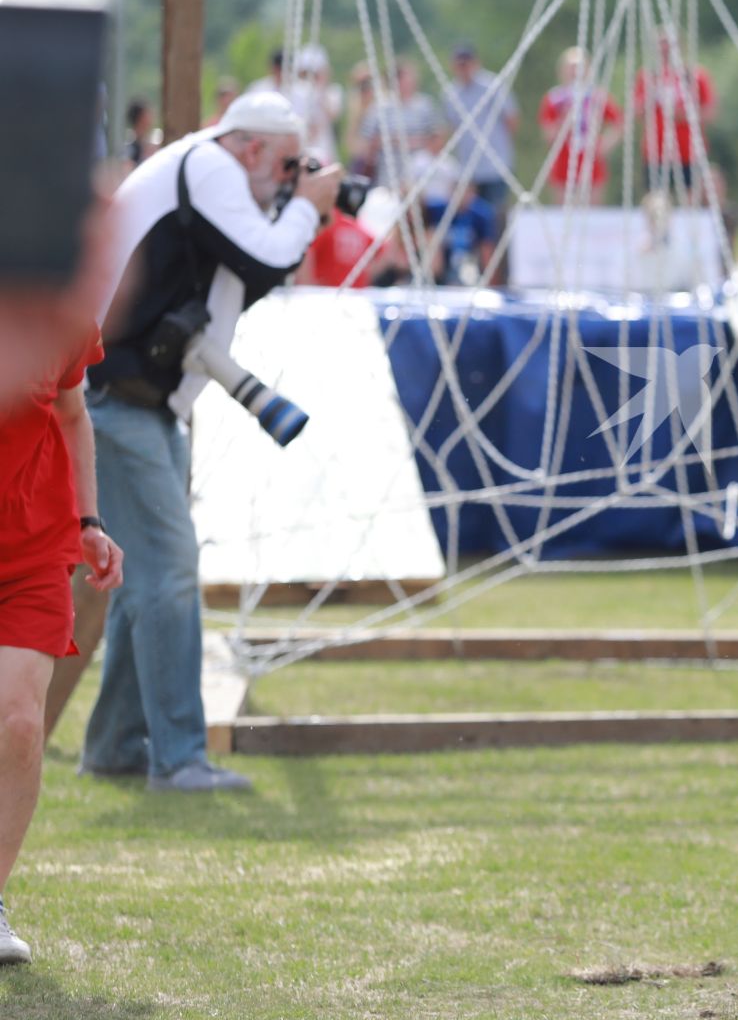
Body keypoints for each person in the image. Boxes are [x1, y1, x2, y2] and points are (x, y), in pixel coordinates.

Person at [82, 90, 340, 792]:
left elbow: (247, 276)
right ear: (250, 147)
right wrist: (310, 206)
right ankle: (178, 759)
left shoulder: (207, 169)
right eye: (287, 163)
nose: (290, 177)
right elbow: (264, 258)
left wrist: (298, 206)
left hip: (135, 400)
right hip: (118, 399)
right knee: (168, 576)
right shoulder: (213, 165)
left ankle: (114, 746)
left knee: (148, 581)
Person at [0, 334, 125, 964]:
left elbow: (73, 412)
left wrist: (90, 523)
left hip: (33, 546)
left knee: (20, 722)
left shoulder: (65, 306)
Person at [538, 47, 620, 205]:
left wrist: (605, 145)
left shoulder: (597, 96)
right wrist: (564, 118)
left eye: (580, 67)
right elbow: (548, 135)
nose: (575, 72)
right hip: (563, 165)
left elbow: (618, 123)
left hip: (592, 164)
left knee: (593, 214)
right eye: (571, 67)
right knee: (562, 212)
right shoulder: (554, 99)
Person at [444, 41, 520, 211]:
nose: (464, 68)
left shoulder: (492, 85)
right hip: (468, 167)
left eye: (467, 62)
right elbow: (452, 126)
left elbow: (511, 119)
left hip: (495, 165)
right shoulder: (450, 92)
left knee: (496, 213)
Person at [634, 37, 717, 189]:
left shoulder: (695, 75)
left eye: (669, 48)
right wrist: (651, 96)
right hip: (655, 152)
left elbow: (710, 113)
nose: (665, 52)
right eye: (661, 48)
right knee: (656, 201)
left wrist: (684, 116)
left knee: (691, 199)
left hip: (689, 151)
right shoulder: (647, 76)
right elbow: (637, 113)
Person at [357, 58, 442, 191]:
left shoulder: (425, 105)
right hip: (388, 173)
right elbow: (367, 143)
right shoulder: (379, 108)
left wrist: (403, 142)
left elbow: (436, 139)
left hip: (421, 173)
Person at [123, 98, 156, 167]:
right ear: (140, 119)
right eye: (147, 115)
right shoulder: (131, 148)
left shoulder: (149, 143)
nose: (151, 119)